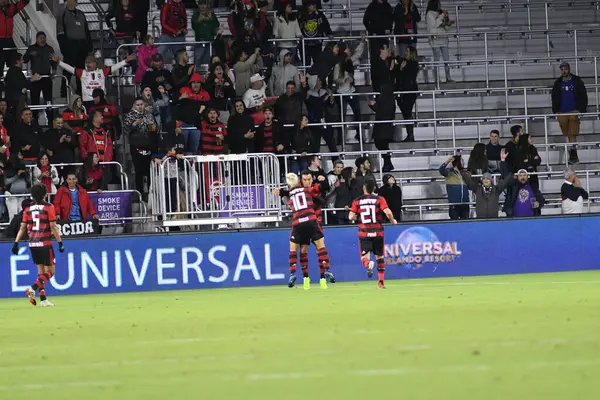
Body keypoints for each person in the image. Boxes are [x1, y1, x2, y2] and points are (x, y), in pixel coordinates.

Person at [273, 172, 331, 290]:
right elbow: (322, 199)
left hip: (299, 222)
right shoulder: (308, 191)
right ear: (300, 181)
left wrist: (279, 192)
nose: (308, 182)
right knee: (318, 247)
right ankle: (321, 274)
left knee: (297, 249)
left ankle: (298, 275)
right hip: (312, 220)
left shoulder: (290, 193)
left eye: (309, 179)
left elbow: (286, 192)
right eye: (305, 180)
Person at [13, 183, 64, 307]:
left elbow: (22, 228)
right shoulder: (48, 207)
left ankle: (43, 299)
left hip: (33, 243)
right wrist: (60, 242)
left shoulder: (28, 209)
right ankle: (32, 288)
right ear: (45, 194)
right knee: (51, 271)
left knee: (41, 272)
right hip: (45, 243)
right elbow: (53, 226)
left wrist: (16, 243)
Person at [349, 179, 397, 289]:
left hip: (364, 232)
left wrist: (356, 216)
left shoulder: (357, 201)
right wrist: (392, 220)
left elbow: (350, 217)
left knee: (364, 258)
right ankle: (381, 282)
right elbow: (388, 212)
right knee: (380, 257)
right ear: (374, 188)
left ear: (363, 188)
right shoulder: (380, 199)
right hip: (378, 232)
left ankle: (368, 264)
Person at [52, 53, 136, 106]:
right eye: (87, 62)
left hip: (101, 101)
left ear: (95, 64)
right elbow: (70, 68)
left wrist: (125, 61)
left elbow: (113, 68)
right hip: (88, 102)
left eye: (90, 62)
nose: (88, 64)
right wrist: (59, 62)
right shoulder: (82, 72)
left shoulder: (101, 72)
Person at [551, 62, 588, 164]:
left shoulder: (576, 81)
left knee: (572, 132)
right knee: (567, 133)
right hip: (562, 111)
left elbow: (583, 94)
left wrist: (581, 109)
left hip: (573, 110)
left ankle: (573, 154)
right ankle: (572, 154)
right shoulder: (558, 83)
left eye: (565, 69)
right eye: (562, 69)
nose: (564, 71)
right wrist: (556, 110)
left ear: (569, 69)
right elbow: (554, 97)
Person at [461, 149, 513, 219]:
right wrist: (463, 170)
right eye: (484, 178)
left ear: (491, 180)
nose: (485, 180)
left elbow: (506, 178)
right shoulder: (477, 189)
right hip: (480, 220)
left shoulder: (497, 189)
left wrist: (503, 161)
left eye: (487, 179)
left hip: (493, 220)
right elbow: (467, 179)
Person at [56, 0, 92, 95]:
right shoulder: (62, 14)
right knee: (68, 69)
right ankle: (63, 91)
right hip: (70, 45)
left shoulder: (81, 14)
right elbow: (60, 32)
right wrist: (64, 49)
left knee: (81, 69)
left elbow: (86, 31)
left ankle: (81, 90)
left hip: (82, 45)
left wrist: (89, 47)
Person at [124, 98, 159, 196]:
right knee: (138, 170)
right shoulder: (130, 115)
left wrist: (152, 127)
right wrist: (134, 124)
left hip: (148, 145)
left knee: (149, 170)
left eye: (141, 104)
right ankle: (140, 193)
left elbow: (154, 129)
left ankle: (150, 193)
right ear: (135, 105)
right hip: (136, 146)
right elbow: (126, 130)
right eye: (138, 105)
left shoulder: (148, 115)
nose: (140, 106)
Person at [333, 36, 365, 141]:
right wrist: (344, 80)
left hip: (351, 91)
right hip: (341, 93)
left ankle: (359, 134)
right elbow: (335, 79)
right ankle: (340, 139)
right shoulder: (338, 64)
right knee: (341, 117)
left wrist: (362, 42)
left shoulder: (350, 61)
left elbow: (358, 53)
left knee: (358, 114)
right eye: (347, 48)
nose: (349, 50)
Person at [23, 31, 56, 124]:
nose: (43, 39)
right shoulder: (32, 48)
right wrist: (30, 54)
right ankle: (34, 123)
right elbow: (25, 60)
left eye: (44, 37)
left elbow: (54, 61)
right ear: (37, 39)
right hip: (36, 79)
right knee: (34, 102)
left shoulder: (49, 49)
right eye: (40, 37)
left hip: (47, 78)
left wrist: (54, 69)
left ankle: (50, 122)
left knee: (48, 102)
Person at [175, 72, 210, 154]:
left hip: (196, 126)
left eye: (198, 82)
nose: (196, 85)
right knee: (182, 149)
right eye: (194, 82)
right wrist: (180, 98)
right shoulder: (184, 91)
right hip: (184, 124)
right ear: (190, 83)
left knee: (194, 149)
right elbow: (174, 105)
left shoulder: (205, 94)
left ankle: (194, 166)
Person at [368, 83, 395, 172]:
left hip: (383, 127)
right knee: (381, 145)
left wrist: (373, 105)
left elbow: (382, 111)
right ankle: (388, 163)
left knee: (382, 145)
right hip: (383, 126)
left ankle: (388, 163)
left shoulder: (387, 99)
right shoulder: (388, 99)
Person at [394, 45, 419, 142]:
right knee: (406, 113)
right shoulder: (406, 62)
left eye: (407, 51)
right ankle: (410, 135)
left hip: (409, 92)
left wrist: (401, 68)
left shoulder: (413, 64)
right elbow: (400, 64)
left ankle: (410, 135)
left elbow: (407, 75)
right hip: (403, 91)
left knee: (407, 113)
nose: (406, 53)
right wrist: (397, 58)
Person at [426, 0, 454, 84]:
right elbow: (433, 26)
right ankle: (437, 79)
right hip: (435, 39)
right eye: (438, 3)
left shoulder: (441, 13)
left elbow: (446, 28)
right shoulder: (429, 14)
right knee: (436, 60)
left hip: (444, 38)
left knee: (447, 59)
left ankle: (448, 77)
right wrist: (441, 18)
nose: (440, 5)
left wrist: (448, 24)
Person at [0, 0, 29, 81]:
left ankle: (14, 82)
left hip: (9, 39)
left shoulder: (11, 9)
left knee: (15, 62)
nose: (3, 1)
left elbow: (24, 2)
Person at [298, 1, 332, 66]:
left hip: (317, 43)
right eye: (312, 5)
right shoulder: (301, 14)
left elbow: (325, 24)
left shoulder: (319, 14)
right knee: (306, 64)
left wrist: (329, 33)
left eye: (314, 4)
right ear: (307, 6)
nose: (314, 6)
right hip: (305, 44)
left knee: (318, 63)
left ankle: (317, 76)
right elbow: (297, 26)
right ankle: (306, 76)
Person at [439, 155, 469, 220]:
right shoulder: (449, 172)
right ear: (458, 162)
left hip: (465, 204)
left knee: (466, 225)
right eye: (462, 160)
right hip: (454, 205)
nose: (463, 162)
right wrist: (447, 161)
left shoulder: (465, 173)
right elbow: (441, 170)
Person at [192, 0, 219, 69]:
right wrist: (198, 21)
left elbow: (216, 25)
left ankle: (211, 76)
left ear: (207, 5)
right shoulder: (195, 15)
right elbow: (194, 27)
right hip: (200, 42)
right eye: (201, 4)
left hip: (210, 42)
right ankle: (195, 77)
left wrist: (211, 19)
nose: (202, 6)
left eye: (204, 4)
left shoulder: (212, 15)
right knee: (197, 61)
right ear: (198, 5)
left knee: (211, 61)